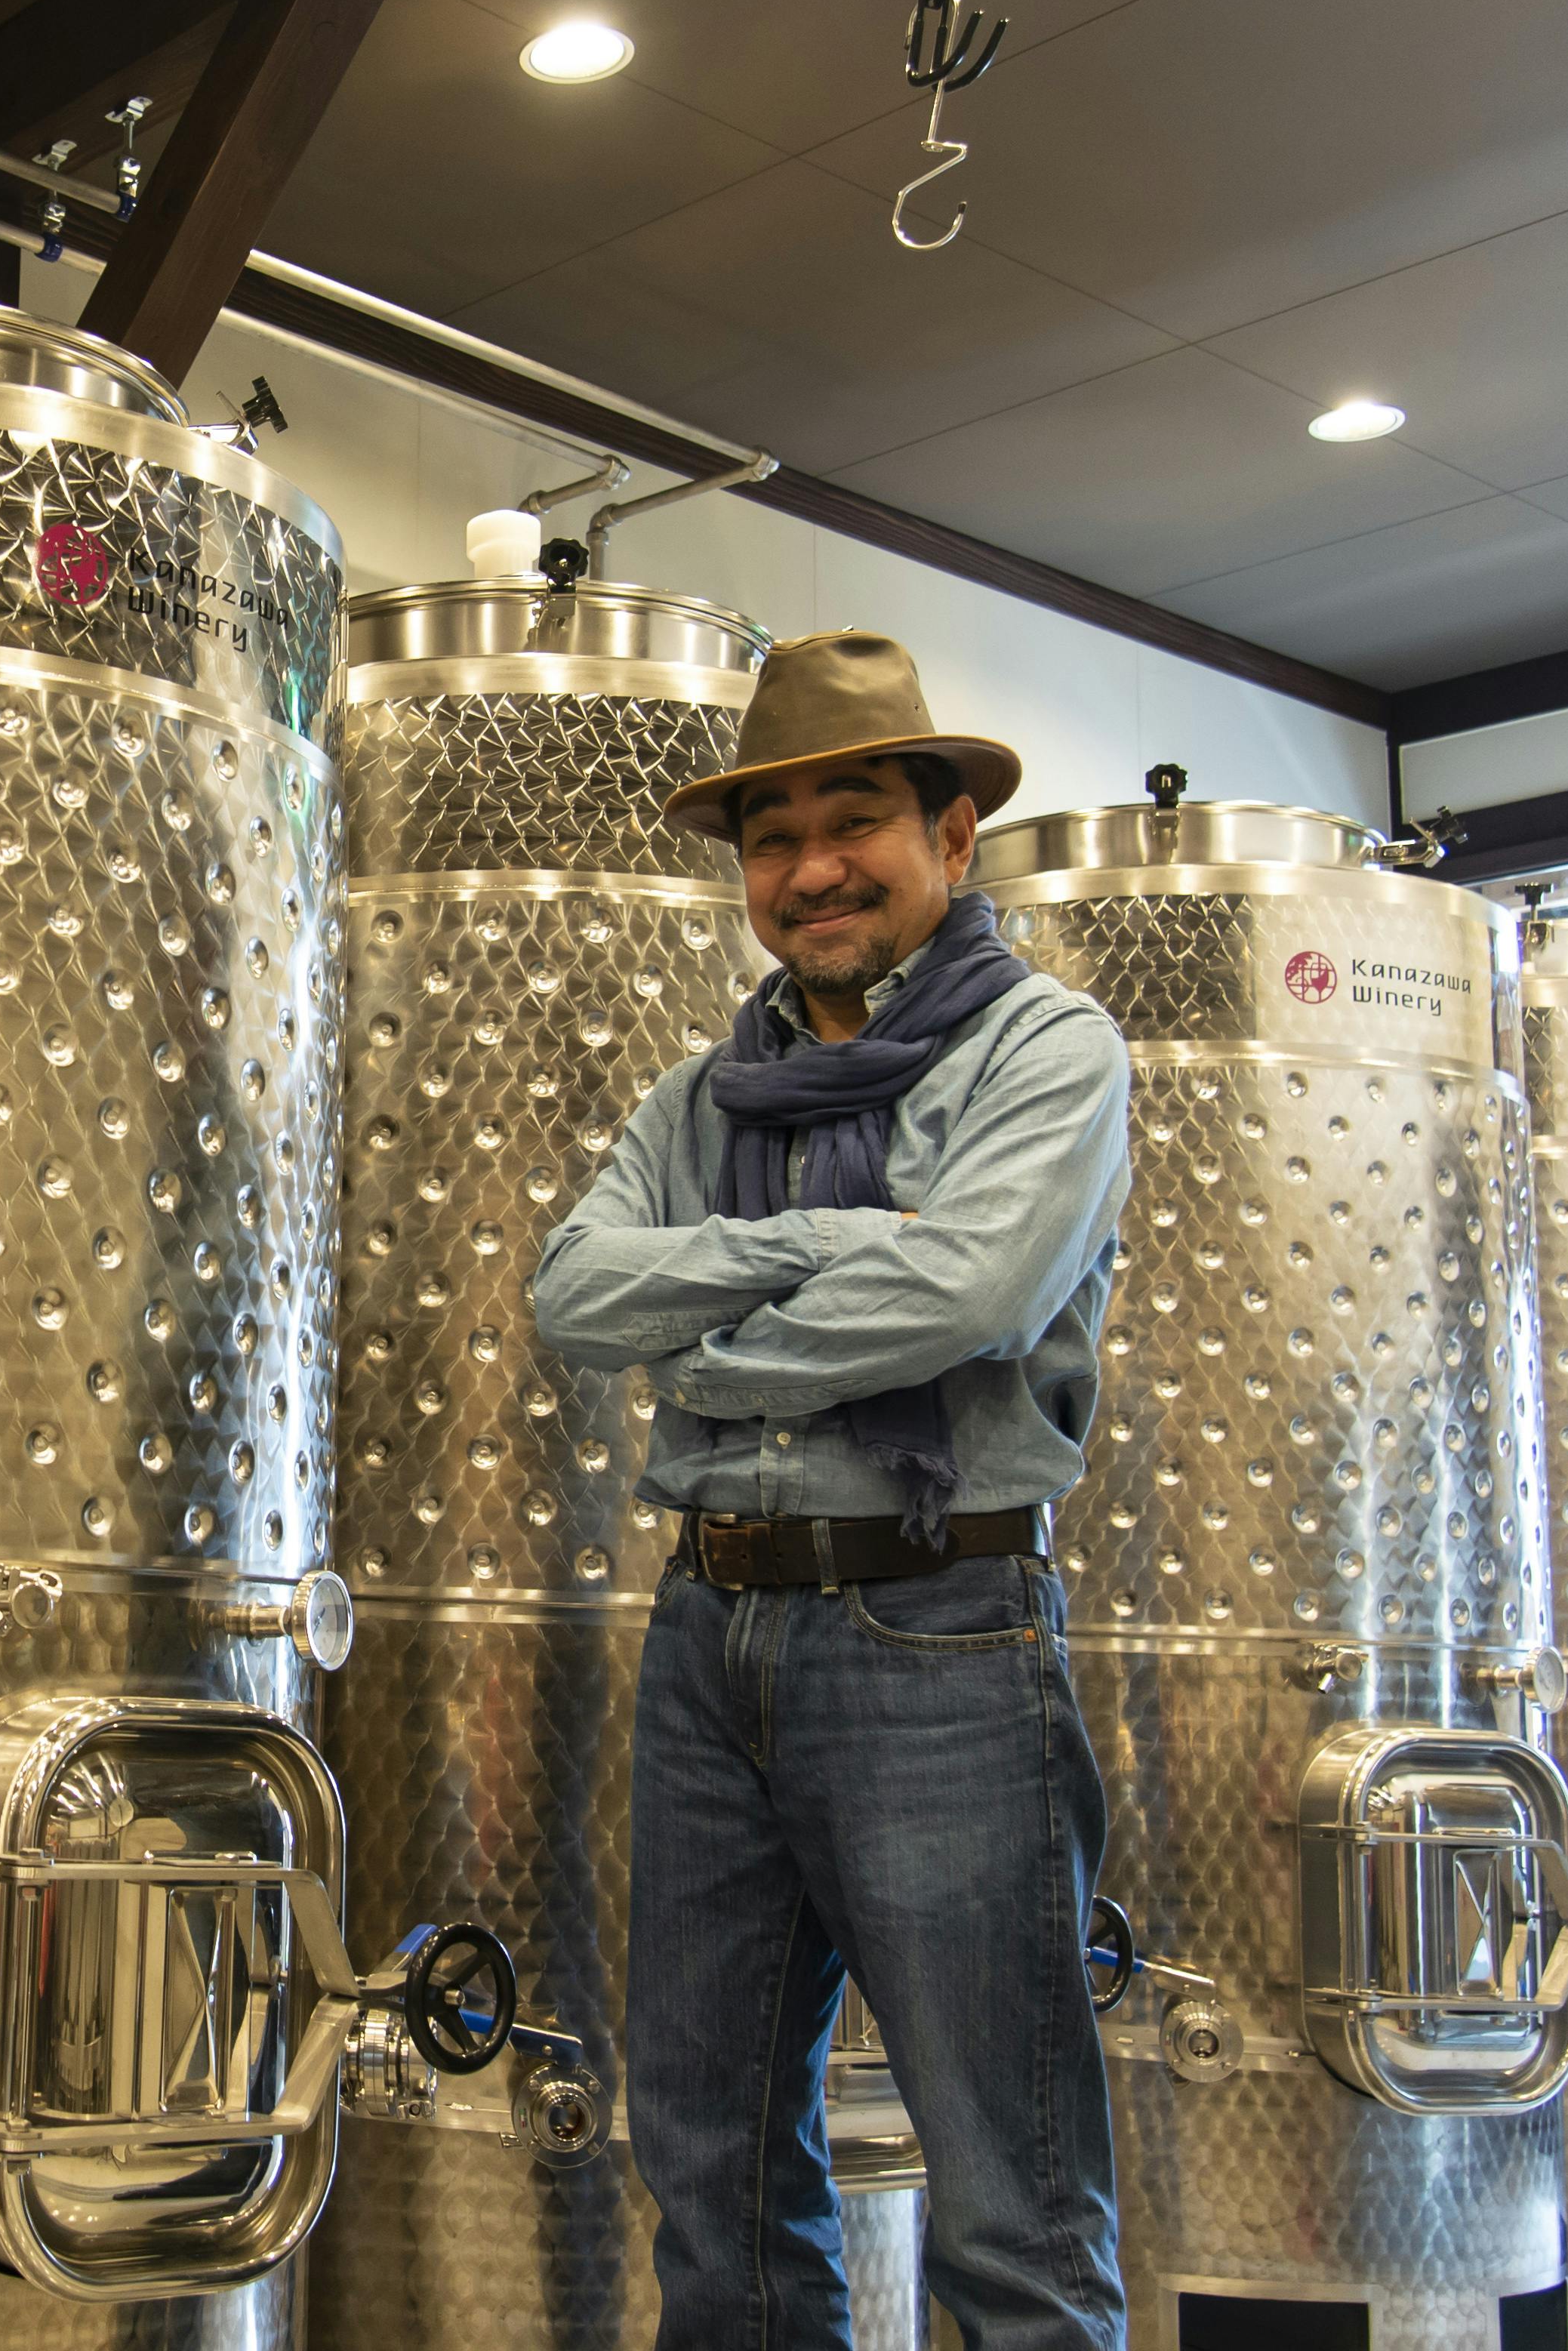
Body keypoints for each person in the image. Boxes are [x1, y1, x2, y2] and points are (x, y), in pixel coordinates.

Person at [528, 631, 1133, 2351]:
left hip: (935, 1628)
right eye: (772, 838)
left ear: (951, 835)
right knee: (708, 2162)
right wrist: (823, 1244)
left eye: (852, 820)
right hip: (708, 1632)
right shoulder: (695, 1097)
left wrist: (706, 1349)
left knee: (1007, 2186)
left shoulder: (1045, 1051)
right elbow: (572, 1297)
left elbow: (968, 1293)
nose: (811, 870)